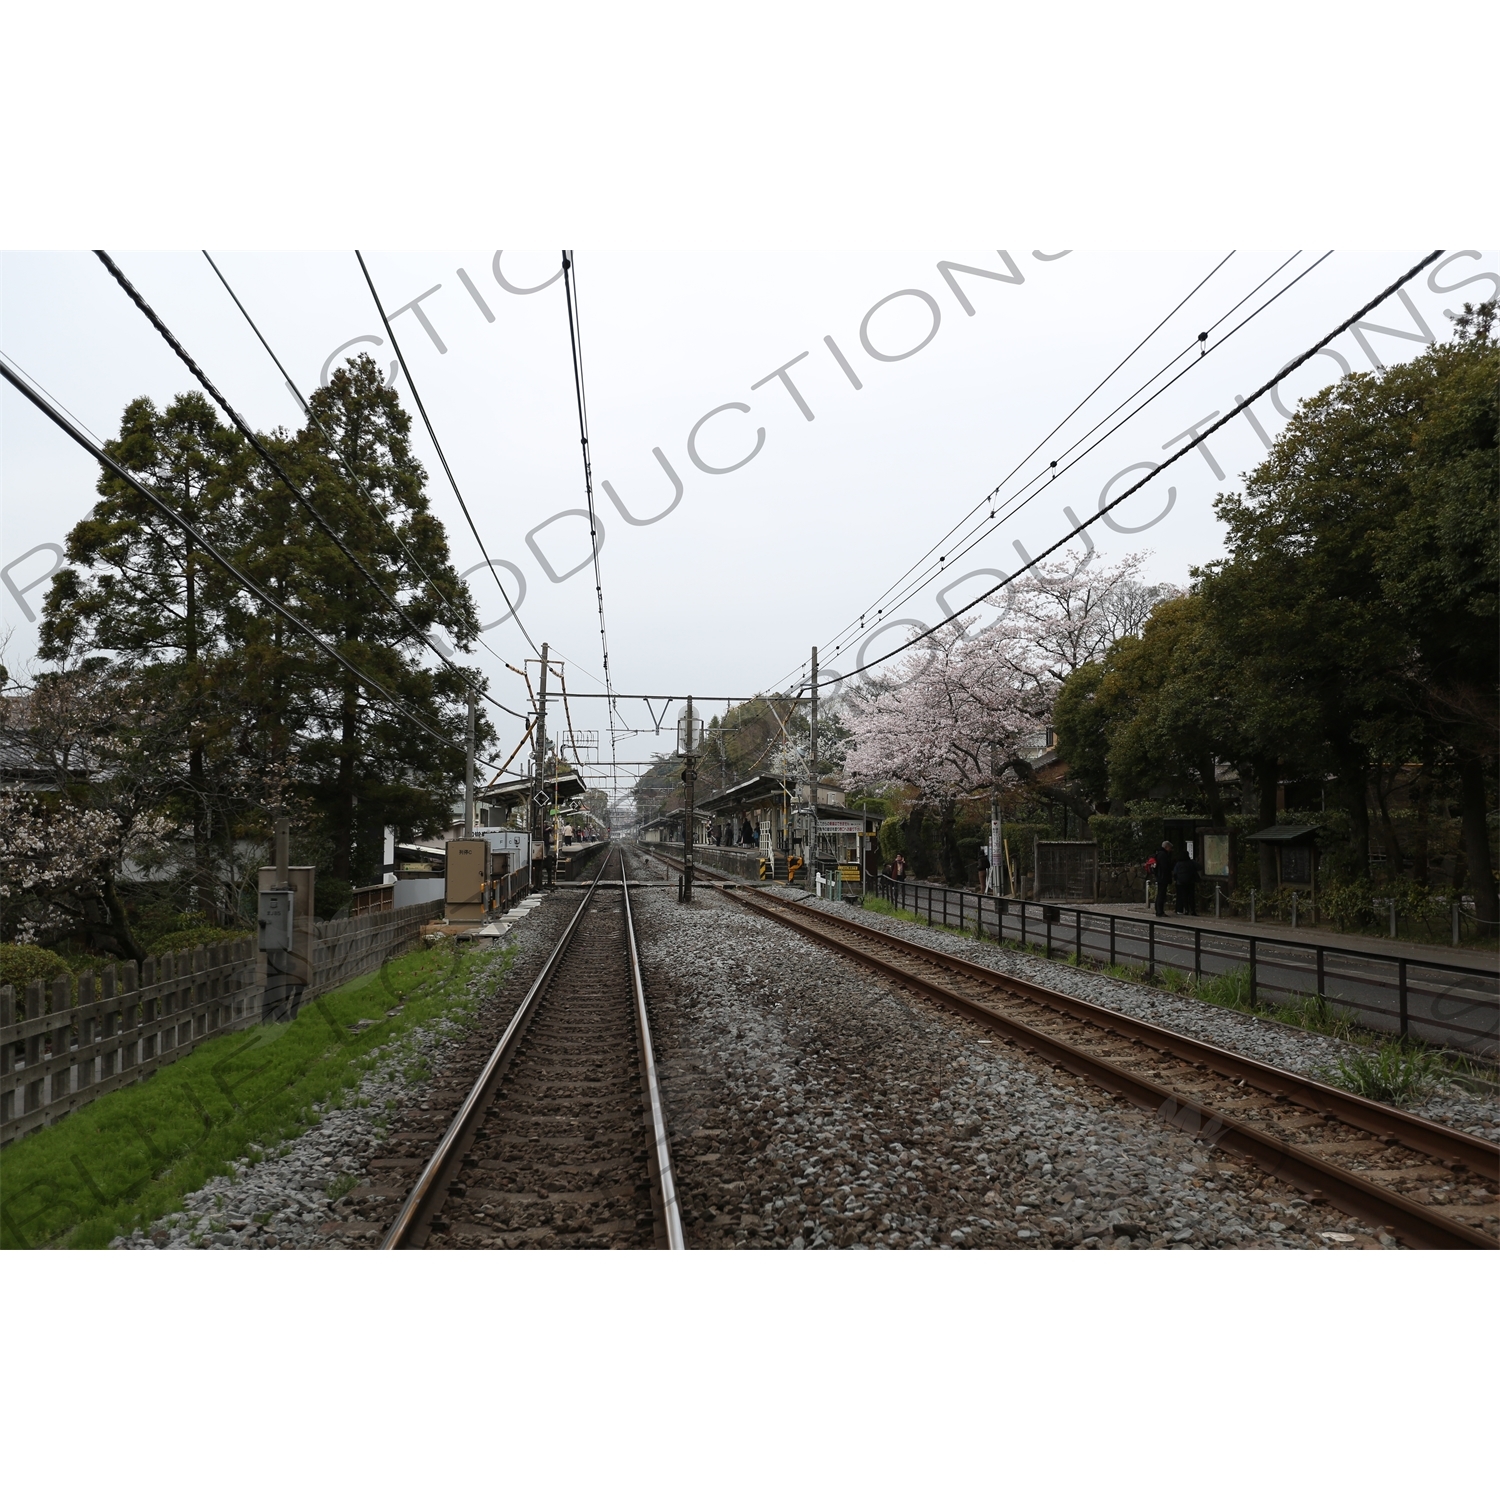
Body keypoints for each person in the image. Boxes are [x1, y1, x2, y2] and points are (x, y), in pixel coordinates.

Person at [1150, 839, 1174, 916]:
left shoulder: (1158, 854)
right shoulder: (1163, 855)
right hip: (1163, 877)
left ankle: (1158, 910)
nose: (1170, 850)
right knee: (1161, 894)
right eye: (1170, 848)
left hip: (1160, 876)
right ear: (1166, 847)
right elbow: (1165, 867)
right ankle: (1160, 911)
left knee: (1160, 893)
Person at [1173, 851, 1197, 915]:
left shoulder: (1178, 863)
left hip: (1180, 882)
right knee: (1191, 896)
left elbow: (1175, 872)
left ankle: (1186, 910)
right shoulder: (1191, 862)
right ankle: (1193, 910)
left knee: (1184, 896)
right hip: (1190, 881)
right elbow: (1199, 867)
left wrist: (1176, 879)